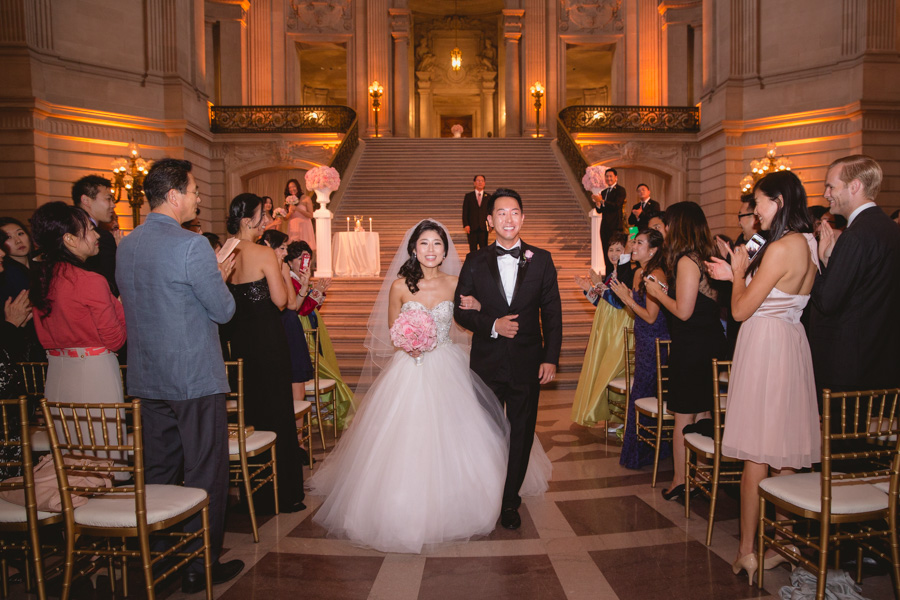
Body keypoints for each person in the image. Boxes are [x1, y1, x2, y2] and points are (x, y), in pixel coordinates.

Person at [308, 219, 550, 552]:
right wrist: (409, 341)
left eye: (437, 244)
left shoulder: (456, 282)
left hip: (448, 363)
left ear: (445, 250)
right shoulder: (399, 287)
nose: (431, 250)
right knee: (406, 438)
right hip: (410, 367)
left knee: (464, 434)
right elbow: (393, 331)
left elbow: (472, 317)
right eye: (424, 244)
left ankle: (483, 497)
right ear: (413, 248)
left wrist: (480, 310)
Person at [115, 158, 243, 594]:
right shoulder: (191, 246)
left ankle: (160, 555)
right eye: (194, 191)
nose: (199, 198)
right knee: (207, 467)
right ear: (174, 196)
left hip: (146, 375)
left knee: (159, 468)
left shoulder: (126, 245)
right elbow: (223, 310)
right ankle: (197, 565)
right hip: (193, 376)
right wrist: (220, 275)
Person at [706, 171, 821, 583]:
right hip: (791, 341)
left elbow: (739, 311)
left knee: (756, 450)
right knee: (784, 449)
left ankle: (746, 551)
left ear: (779, 200)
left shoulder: (780, 247)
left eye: (759, 202)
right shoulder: (809, 243)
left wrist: (737, 273)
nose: (755, 211)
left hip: (766, 346)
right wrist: (734, 275)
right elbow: (781, 295)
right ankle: (785, 543)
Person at [454, 189, 563, 530]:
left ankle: (510, 501)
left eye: (514, 212)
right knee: (484, 433)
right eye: (501, 213)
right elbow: (460, 311)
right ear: (489, 221)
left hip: (527, 363)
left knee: (522, 434)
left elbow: (553, 314)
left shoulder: (542, 259)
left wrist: (551, 357)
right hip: (486, 363)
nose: (508, 219)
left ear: (523, 217)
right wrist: (492, 325)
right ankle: (483, 494)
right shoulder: (474, 262)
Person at [221, 193, 306, 513]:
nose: (267, 221)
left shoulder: (223, 251)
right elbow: (282, 301)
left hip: (239, 343)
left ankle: (252, 493)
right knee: (277, 415)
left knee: (251, 414)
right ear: (248, 221)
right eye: (262, 216)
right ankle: (284, 495)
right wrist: (282, 268)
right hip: (269, 343)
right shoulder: (265, 253)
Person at [29, 202, 127, 463]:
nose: (97, 236)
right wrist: (120, 305)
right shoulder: (91, 281)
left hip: (58, 373)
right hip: (94, 373)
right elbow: (115, 339)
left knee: (70, 460)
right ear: (70, 239)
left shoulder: (41, 278)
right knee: (101, 457)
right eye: (89, 230)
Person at [645, 201, 728, 502]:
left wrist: (657, 293)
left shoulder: (686, 261)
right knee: (703, 412)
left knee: (683, 416)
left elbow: (683, 311)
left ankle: (681, 480)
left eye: (667, 224)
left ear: (678, 225)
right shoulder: (707, 256)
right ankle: (703, 475)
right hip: (709, 344)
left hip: (692, 348)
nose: (664, 229)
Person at [809, 155, 900, 395]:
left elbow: (828, 301)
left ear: (855, 186)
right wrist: (830, 260)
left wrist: (814, 264)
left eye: (831, 186)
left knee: (842, 433)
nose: (826, 194)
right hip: (882, 359)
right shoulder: (890, 229)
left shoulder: (856, 235)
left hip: (850, 366)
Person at [609, 229, 671, 470]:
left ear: (653, 250)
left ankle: (650, 451)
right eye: (634, 242)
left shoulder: (656, 275)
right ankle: (644, 450)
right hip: (643, 339)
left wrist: (628, 299)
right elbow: (637, 314)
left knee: (644, 395)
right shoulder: (638, 272)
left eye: (639, 243)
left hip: (656, 342)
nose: (633, 247)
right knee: (641, 394)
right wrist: (627, 299)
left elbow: (651, 317)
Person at [285, 241, 353, 428]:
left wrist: (319, 293)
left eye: (306, 258)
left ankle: (320, 410)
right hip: (299, 325)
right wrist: (316, 292)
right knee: (316, 366)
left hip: (313, 323)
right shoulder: (289, 279)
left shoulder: (300, 278)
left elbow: (313, 306)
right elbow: (300, 309)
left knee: (320, 362)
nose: (303, 263)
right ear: (290, 262)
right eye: (300, 259)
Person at [571, 233, 634, 431]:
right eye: (611, 249)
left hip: (619, 327)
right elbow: (603, 303)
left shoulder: (628, 273)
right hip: (607, 326)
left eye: (618, 249)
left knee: (613, 370)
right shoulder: (611, 274)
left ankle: (622, 416)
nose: (614, 254)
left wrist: (598, 284)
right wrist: (588, 290)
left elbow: (617, 303)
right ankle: (614, 414)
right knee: (605, 371)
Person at [258, 229, 314, 409]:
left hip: (289, 325)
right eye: (282, 248)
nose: (285, 252)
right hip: (275, 327)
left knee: (297, 383)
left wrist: (304, 287)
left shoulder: (283, 269)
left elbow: (293, 305)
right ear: (268, 247)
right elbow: (286, 303)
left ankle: (297, 435)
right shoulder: (265, 269)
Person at [72, 175, 119, 296]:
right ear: (86, 200)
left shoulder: (70, 229)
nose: (113, 205)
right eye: (108, 199)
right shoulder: (100, 237)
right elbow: (111, 285)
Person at [591, 168, 627, 275]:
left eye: (611, 176)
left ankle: (620, 274)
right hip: (605, 226)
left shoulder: (620, 190)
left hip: (616, 226)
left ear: (616, 177)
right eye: (607, 176)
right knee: (607, 252)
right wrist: (598, 204)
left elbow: (616, 205)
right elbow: (600, 210)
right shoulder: (604, 192)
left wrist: (602, 201)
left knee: (617, 252)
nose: (609, 178)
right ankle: (608, 276)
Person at [283, 178, 316, 249]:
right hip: (293, 227)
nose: (292, 189)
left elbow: (311, 215)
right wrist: (290, 212)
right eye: (290, 188)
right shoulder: (288, 200)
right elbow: (285, 218)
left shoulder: (306, 198)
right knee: (293, 249)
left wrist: (297, 209)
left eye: (293, 186)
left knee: (305, 249)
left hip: (304, 226)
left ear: (298, 187)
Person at [462, 174, 491, 252]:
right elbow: (465, 212)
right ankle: (473, 264)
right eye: (478, 181)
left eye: (482, 181)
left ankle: (483, 264)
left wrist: (491, 225)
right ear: (474, 183)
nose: (480, 182)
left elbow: (491, 212)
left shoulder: (488, 197)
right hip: (472, 228)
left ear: (484, 183)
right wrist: (466, 225)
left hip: (484, 228)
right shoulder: (468, 196)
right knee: (473, 249)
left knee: (484, 249)